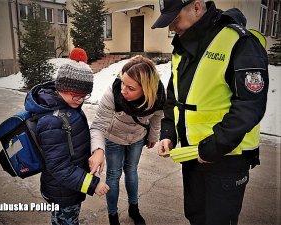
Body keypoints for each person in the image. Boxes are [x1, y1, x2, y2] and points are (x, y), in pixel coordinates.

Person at [152, 0, 269, 225]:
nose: (171, 28)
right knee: (196, 217)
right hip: (193, 156)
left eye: (175, 19)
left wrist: (212, 147)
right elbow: (173, 96)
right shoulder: (183, 46)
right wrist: (168, 132)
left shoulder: (240, 42)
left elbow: (249, 106)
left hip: (227, 159)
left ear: (197, 7)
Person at [24, 54, 109, 225]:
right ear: (61, 87)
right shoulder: (51, 121)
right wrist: (93, 185)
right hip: (62, 190)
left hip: (71, 186)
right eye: (75, 95)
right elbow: (59, 167)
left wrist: (96, 151)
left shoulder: (68, 107)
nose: (80, 100)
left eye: (84, 95)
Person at [89, 55, 166, 225]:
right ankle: (113, 216)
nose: (123, 90)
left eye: (130, 88)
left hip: (137, 138)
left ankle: (134, 209)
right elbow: (98, 125)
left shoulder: (158, 97)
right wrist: (98, 150)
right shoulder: (114, 93)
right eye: (123, 82)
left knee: (131, 171)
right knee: (113, 175)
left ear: (147, 89)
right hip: (113, 138)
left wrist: (153, 136)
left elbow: (157, 117)